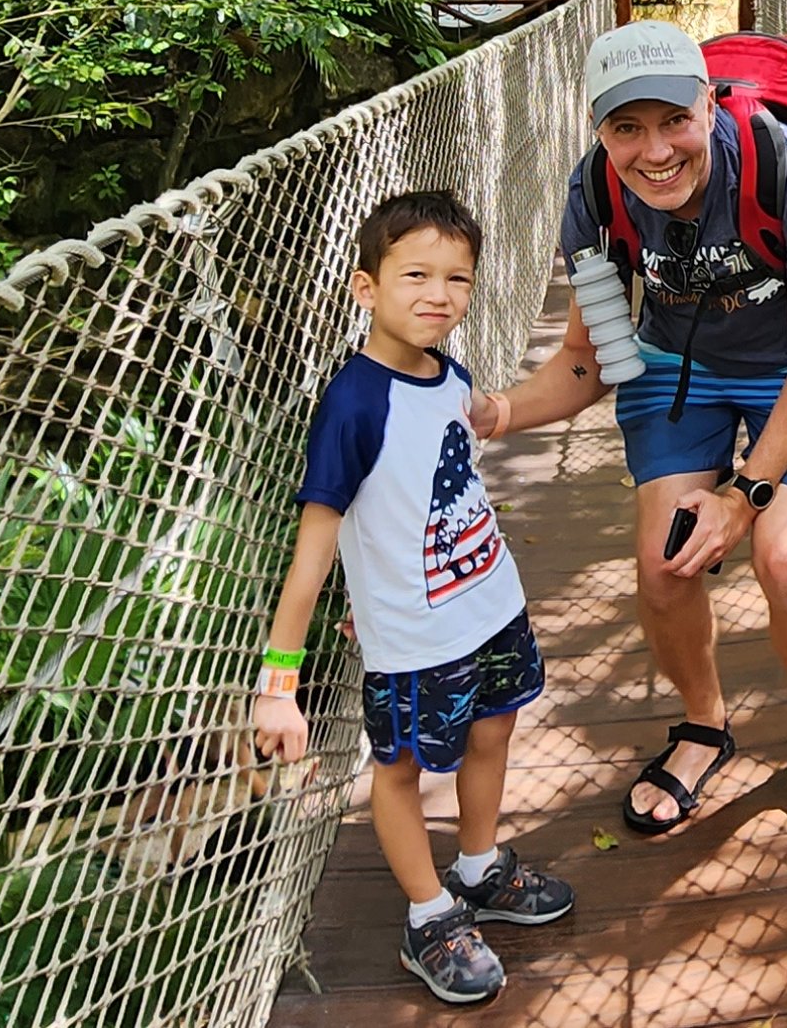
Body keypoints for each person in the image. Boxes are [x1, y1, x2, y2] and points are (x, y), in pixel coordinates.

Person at [486, 21, 787, 842]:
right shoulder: (594, 196)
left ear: (710, 105)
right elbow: (586, 358)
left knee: (782, 552)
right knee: (664, 561)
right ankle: (703, 724)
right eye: (625, 128)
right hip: (680, 359)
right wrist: (489, 413)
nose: (654, 150)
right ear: (599, 130)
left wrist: (742, 498)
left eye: (674, 119)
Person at [250, 190, 573, 1005]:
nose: (440, 295)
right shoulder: (352, 406)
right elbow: (314, 552)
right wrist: (278, 686)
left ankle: (477, 869)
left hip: (489, 603)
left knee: (495, 730)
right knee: (398, 771)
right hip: (416, 637)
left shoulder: (447, 370)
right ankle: (428, 917)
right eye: (417, 275)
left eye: (458, 279)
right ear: (367, 288)